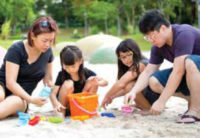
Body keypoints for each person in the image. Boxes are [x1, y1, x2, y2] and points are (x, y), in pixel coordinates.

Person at [125, 9, 200, 123]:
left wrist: (161, 101)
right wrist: (133, 91)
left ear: (163, 28)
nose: (150, 40)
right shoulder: (157, 47)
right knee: (154, 80)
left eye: (152, 36)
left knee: (189, 62)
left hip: (195, 68)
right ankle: (194, 100)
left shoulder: (184, 34)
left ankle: (196, 109)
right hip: (191, 76)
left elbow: (178, 72)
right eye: (147, 37)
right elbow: (147, 72)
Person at [0, 16, 58, 119]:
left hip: (22, 97)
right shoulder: (17, 49)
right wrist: (32, 99)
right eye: (44, 40)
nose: (48, 44)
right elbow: (10, 83)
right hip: (3, 86)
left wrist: (50, 86)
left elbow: (48, 79)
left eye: (51, 40)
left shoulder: (48, 52)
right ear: (32, 36)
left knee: (14, 102)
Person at [50, 45, 108, 117]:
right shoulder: (62, 74)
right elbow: (52, 94)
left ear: (81, 61)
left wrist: (98, 83)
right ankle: (62, 113)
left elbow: (105, 82)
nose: (70, 70)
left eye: (73, 66)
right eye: (66, 67)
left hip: (81, 105)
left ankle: (86, 110)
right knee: (68, 83)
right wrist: (56, 103)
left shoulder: (86, 72)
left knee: (92, 80)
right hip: (66, 106)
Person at [101, 39, 151, 110]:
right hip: (147, 93)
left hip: (154, 95)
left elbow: (121, 84)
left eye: (129, 55)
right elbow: (123, 88)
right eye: (123, 57)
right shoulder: (129, 66)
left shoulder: (141, 64)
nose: (126, 60)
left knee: (129, 85)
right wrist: (112, 97)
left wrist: (106, 96)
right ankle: (141, 104)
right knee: (128, 85)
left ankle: (147, 108)